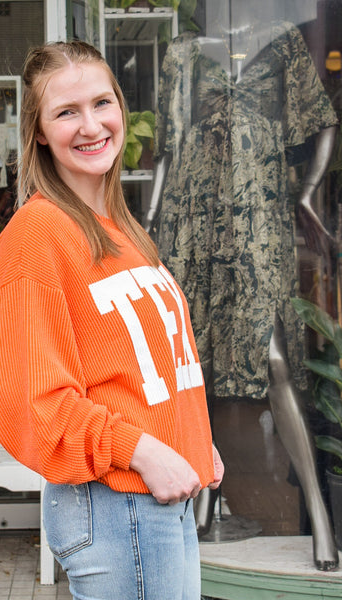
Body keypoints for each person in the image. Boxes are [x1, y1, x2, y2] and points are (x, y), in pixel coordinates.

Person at [0, 40, 224, 599]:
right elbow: (31, 401)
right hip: (117, 507)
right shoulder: (36, 235)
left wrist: (190, 436)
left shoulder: (121, 230)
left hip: (156, 505)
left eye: (101, 103)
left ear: (121, 107)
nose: (90, 125)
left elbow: (138, 366)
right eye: (66, 112)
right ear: (39, 130)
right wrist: (146, 451)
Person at [144, 0, 339, 571]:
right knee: (192, 360)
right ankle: (204, 503)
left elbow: (322, 121)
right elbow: (167, 147)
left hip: (257, 216)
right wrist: (152, 218)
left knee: (274, 360)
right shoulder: (182, 51)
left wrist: (306, 192)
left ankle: (321, 522)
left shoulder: (281, 42)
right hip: (190, 218)